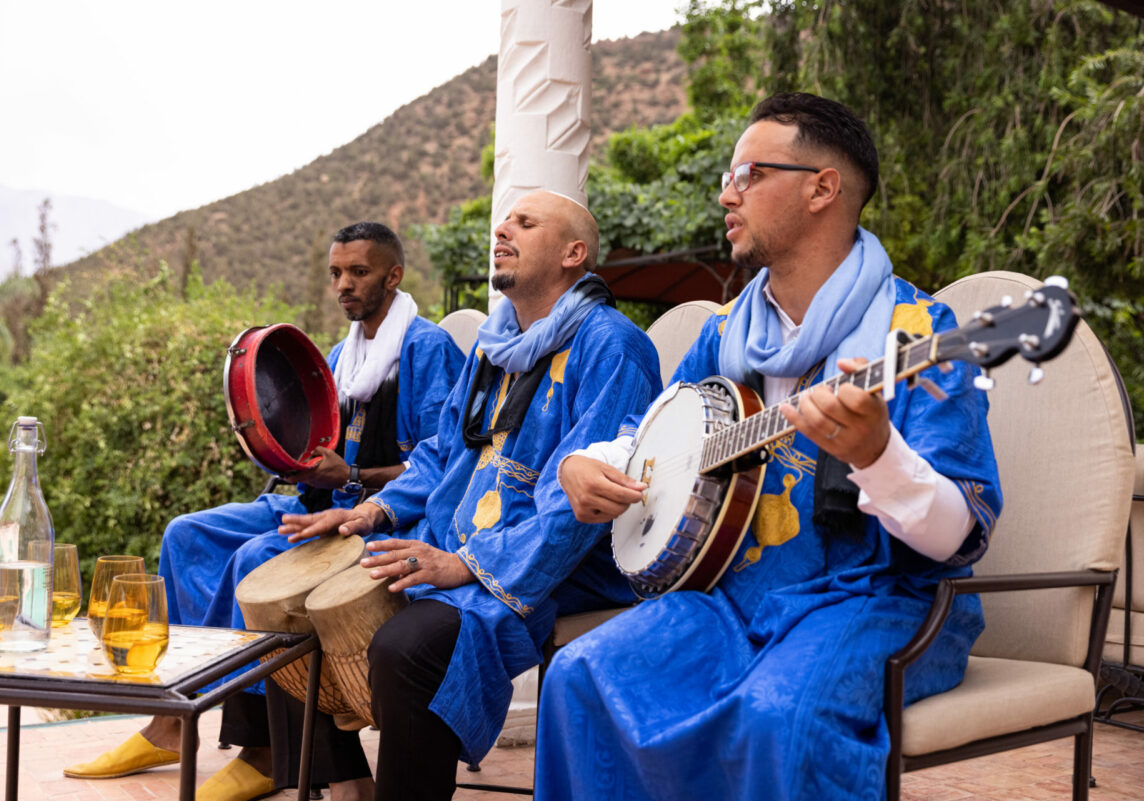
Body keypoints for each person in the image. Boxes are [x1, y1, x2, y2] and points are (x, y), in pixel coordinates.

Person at [535, 93, 1003, 800]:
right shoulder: (723, 333)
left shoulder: (917, 334)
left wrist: (879, 455)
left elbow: (965, 532)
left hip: (877, 600)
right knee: (579, 677)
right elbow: (652, 435)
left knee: (778, 715)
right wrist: (583, 463)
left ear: (823, 187)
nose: (727, 193)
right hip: (728, 597)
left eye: (749, 173)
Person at [280, 190, 663, 801]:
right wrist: (371, 510)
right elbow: (441, 452)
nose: (503, 229)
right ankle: (349, 783)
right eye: (505, 219)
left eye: (525, 222)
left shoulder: (611, 346)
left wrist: (467, 565)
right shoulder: (494, 343)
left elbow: (582, 508)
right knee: (288, 599)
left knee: (408, 646)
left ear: (574, 253)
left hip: (558, 564)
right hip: (456, 532)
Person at [64, 222, 465, 801]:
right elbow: (319, 449)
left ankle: (262, 746)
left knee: (257, 556)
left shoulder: (427, 351)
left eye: (359, 272)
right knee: (187, 534)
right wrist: (283, 453)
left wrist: (350, 477)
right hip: (316, 501)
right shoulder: (342, 356)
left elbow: (443, 467)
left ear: (393, 275)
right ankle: (172, 718)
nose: (344, 285)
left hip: (375, 518)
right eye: (336, 274)